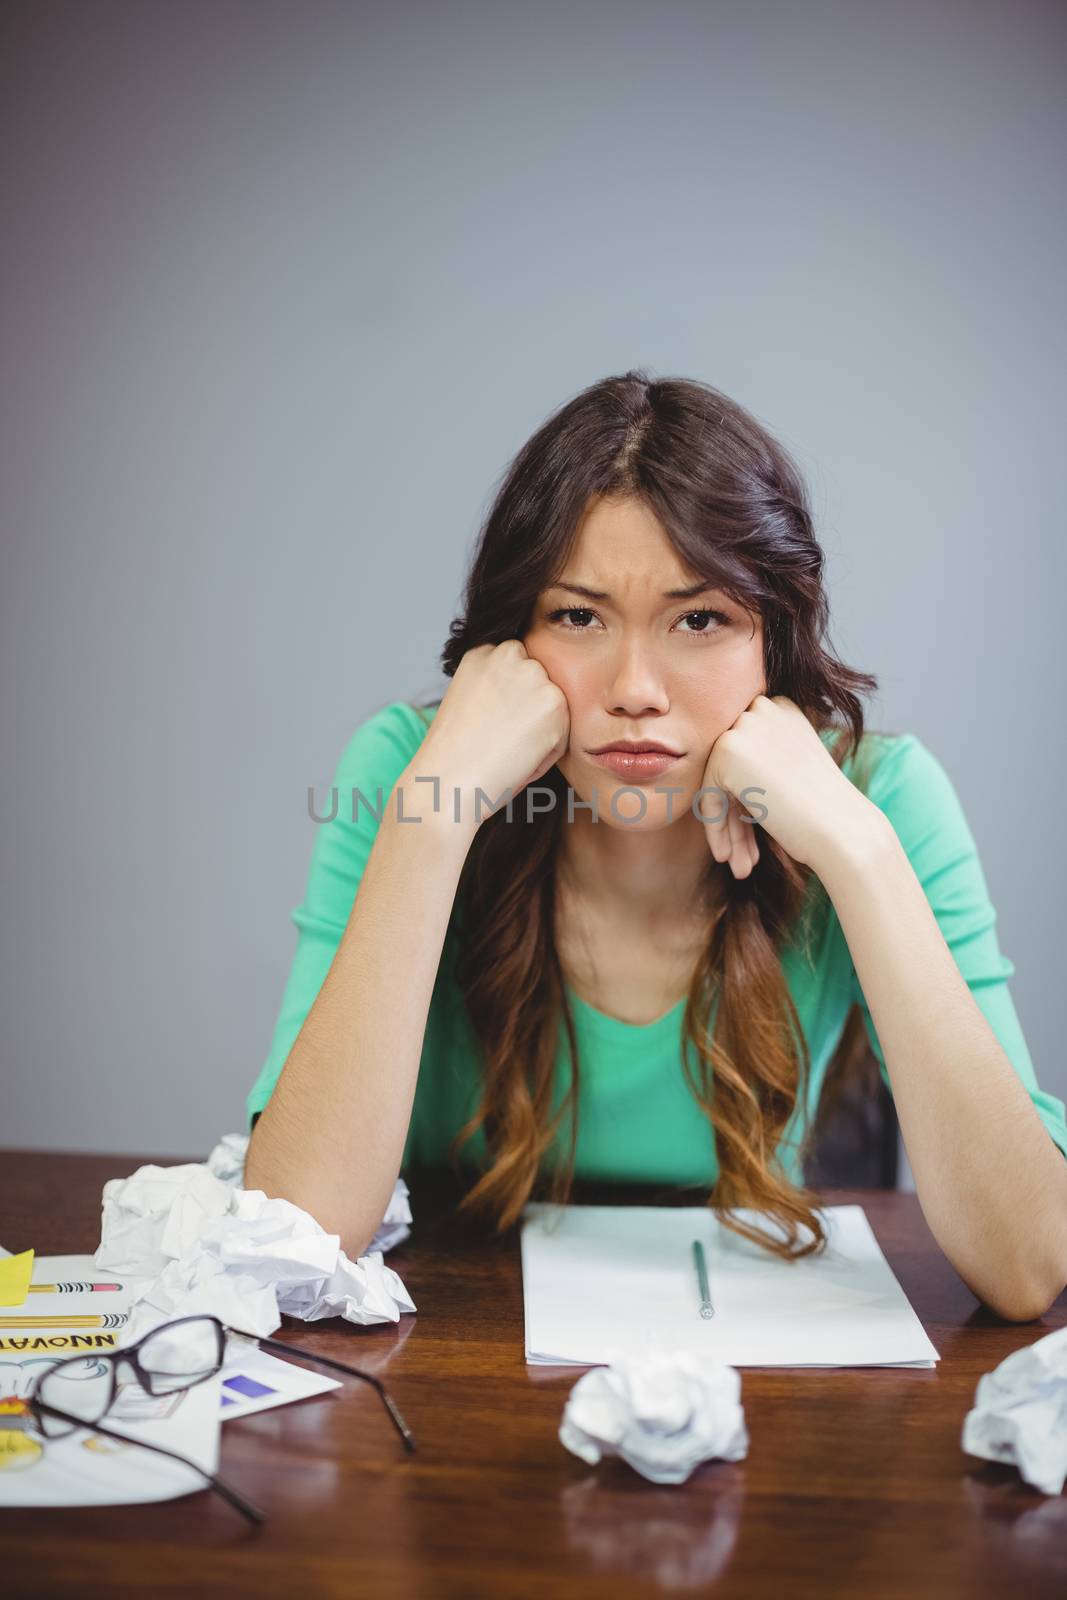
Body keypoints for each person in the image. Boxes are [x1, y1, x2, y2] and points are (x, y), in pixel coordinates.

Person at [243, 370, 1067, 1321]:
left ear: (776, 640)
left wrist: (857, 850)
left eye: (701, 619)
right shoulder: (408, 771)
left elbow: (1029, 1262)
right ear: (507, 643)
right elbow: (293, 1241)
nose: (635, 686)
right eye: (578, 616)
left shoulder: (880, 797)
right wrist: (432, 822)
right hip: (441, 1354)